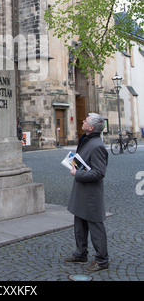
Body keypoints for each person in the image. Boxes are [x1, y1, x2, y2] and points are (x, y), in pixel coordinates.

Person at [65, 113, 109, 272]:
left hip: (91, 194)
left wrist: (78, 174)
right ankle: (81, 253)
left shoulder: (97, 145)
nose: (82, 121)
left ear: (91, 127)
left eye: (85, 120)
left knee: (95, 226)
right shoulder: (87, 139)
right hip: (82, 190)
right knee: (80, 225)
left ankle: (102, 260)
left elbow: (99, 172)